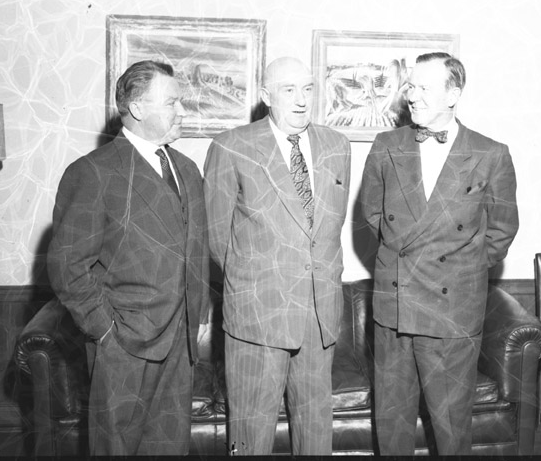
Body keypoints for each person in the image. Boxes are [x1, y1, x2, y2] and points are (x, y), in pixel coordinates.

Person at [47, 60, 210, 456]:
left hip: (181, 342)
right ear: (137, 108)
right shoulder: (93, 172)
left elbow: (195, 249)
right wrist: (106, 332)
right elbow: (68, 267)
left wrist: (200, 314)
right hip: (124, 345)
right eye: (171, 103)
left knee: (170, 448)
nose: (182, 111)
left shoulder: (187, 170)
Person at [360, 52, 519, 455]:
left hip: (452, 313)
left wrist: (459, 268)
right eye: (411, 86)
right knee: (392, 428)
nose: (412, 96)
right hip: (394, 308)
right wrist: (405, 259)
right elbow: (373, 215)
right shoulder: (386, 146)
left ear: (453, 94)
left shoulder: (491, 154)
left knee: (451, 431)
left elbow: (501, 231)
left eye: (424, 88)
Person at [203, 57, 351, 455]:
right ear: (266, 96)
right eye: (289, 90)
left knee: (315, 435)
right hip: (258, 315)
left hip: (319, 317)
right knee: (250, 438)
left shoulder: (337, 145)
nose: (301, 100)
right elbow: (217, 239)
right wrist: (260, 284)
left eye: (308, 89)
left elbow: (328, 229)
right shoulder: (231, 146)